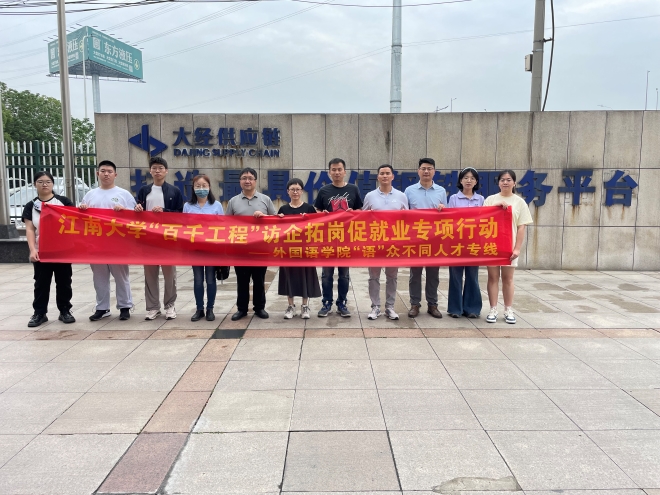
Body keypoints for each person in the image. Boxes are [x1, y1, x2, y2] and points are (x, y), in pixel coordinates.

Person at [79, 160, 136, 321]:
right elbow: (80, 219)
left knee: (121, 276)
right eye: (103, 171)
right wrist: (82, 210)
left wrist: (124, 210)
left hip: (118, 243)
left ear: (115, 175)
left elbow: (135, 217)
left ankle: (125, 306)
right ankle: (102, 308)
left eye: (109, 171)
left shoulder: (124, 194)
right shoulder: (90, 195)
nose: (106, 174)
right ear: (97, 173)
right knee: (99, 277)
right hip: (96, 243)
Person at [22, 171, 75, 327]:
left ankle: (65, 310)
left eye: (48, 181)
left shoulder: (63, 202)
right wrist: (33, 249)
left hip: (62, 251)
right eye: (40, 182)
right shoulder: (31, 205)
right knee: (41, 283)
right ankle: (39, 313)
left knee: (64, 282)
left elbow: (76, 221)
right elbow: (30, 229)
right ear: (35, 184)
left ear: (52, 184)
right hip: (42, 251)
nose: (44, 184)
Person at [134, 156, 183, 320]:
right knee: (150, 275)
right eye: (154, 168)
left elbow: (180, 214)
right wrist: (137, 209)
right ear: (150, 171)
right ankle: (153, 307)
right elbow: (138, 213)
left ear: (166, 171)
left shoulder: (174, 191)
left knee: (170, 275)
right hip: (148, 239)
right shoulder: (144, 190)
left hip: (167, 239)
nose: (157, 171)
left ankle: (170, 305)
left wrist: (165, 211)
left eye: (161, 168)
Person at [313, 158, 363, 317]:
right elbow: (316, 211)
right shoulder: (324, 190)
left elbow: (360, 211)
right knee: (326, 274)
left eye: (339, 169)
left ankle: (342, 303)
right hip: (328, 239)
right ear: (329, 173)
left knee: (344, 274)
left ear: (344, 172)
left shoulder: (353, 189)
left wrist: (353, 213)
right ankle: (326, 303)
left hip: (346, 239)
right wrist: (322, 214)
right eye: (333, 170)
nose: (336, 172)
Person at [226, 167, 277, 321]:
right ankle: (241, 309)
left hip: (260, 248)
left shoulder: (265, 199)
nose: (247, 181)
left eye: (250, 178)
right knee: (242, 281)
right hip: (240, 249)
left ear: (255, 181)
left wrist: (264, 216)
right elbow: (226, 224)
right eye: (244, 178)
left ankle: (259, 308)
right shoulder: (233, 201)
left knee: (259, 280)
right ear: (240, 181)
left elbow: (275, 221)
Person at [483, 169, 533, 324]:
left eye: (508, 180)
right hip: (492, 246)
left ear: (514, 183)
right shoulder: (490, 199)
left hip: (509, 247)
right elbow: (481, 219)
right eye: (502, 180)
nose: (505, 182)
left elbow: (521, 227)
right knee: (492, 278)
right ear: (498, 183)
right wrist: (495, 206)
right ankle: (493, 309)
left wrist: (517, 248)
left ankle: (508, 309)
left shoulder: (520, 202)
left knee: (508, 279)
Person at [362, 164, 409, 320]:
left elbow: (408, 219)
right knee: (373, 276)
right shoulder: (370, 196)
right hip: (375, 243)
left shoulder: (401, 196)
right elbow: (362, 219)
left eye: (387, 173)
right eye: (382, 173)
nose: (384, 176)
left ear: (392, 176)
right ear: (378, 176)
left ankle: (390, 307)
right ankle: (375, 307)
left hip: (394, 243)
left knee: (392, 276)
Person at [404, 158, 447, 319]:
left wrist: (443, 209)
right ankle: (414, 304)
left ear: (434, 171)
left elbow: (447, 216)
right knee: (415, 274)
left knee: (433, 274)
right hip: (415, 239)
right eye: (423, 168)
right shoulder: (409, 191)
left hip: (435, 239)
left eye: (429, 168)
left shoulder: (441, 191)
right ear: (418, 171)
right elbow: (404, 214)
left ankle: (432, 304)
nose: (426, 171)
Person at [277, 178, 321, 319]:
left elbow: (317, 227)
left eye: (298, 189)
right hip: (288, 250)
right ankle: (291, 306)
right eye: (292, 189)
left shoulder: (309, 208)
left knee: (305, 277)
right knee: (289, 277)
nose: (295, 192)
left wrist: (308, 219)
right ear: (288, 192)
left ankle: (304, 306)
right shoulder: (283, 210)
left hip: (305, 250)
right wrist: (278, 219)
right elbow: (277, 230)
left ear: (302, 191)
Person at [183, 174, 224, 322]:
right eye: (198, 186)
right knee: (198, 279)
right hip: (195, 250)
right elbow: (184, 227)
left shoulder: (216, 205)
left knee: (210, 279)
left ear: (209, 187)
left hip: (212, 249)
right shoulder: (187, 206)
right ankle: (199, 309)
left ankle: (210, 309)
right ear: (193, 188)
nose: (201, 189)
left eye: (204, 186)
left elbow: (223, 227)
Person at [446, 167, 485, 318]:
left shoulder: (481, 200)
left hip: (474, 243)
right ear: (460, 181)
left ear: (476, 182)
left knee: (472, 276)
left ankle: (472, 308)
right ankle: (455, 309)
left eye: (472, 178)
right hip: (456, 243)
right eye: (466, 178)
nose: (469, 181)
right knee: (455, 277)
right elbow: (449, 220)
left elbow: (485, 220)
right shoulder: (453, 199)